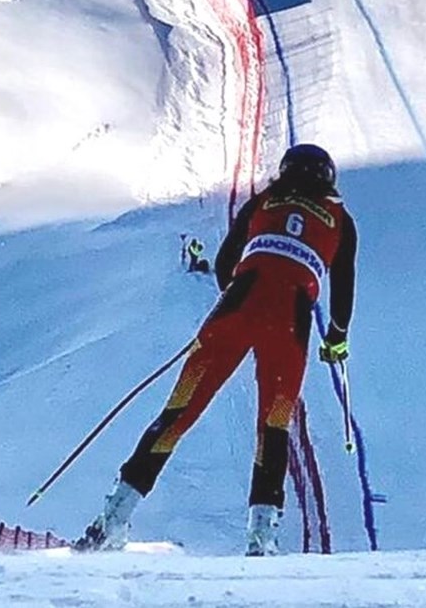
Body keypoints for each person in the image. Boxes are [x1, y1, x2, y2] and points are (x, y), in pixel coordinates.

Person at [75, 144, 358, 557]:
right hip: (290, 324)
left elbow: (226, 260)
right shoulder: (340, 220)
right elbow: (344, 286)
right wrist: (336, 338)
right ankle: (261, 539)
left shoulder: (265, 200)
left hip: (236, 308)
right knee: (273, 429)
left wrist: (237, 295)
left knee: (177, 413)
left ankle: (111, 520)